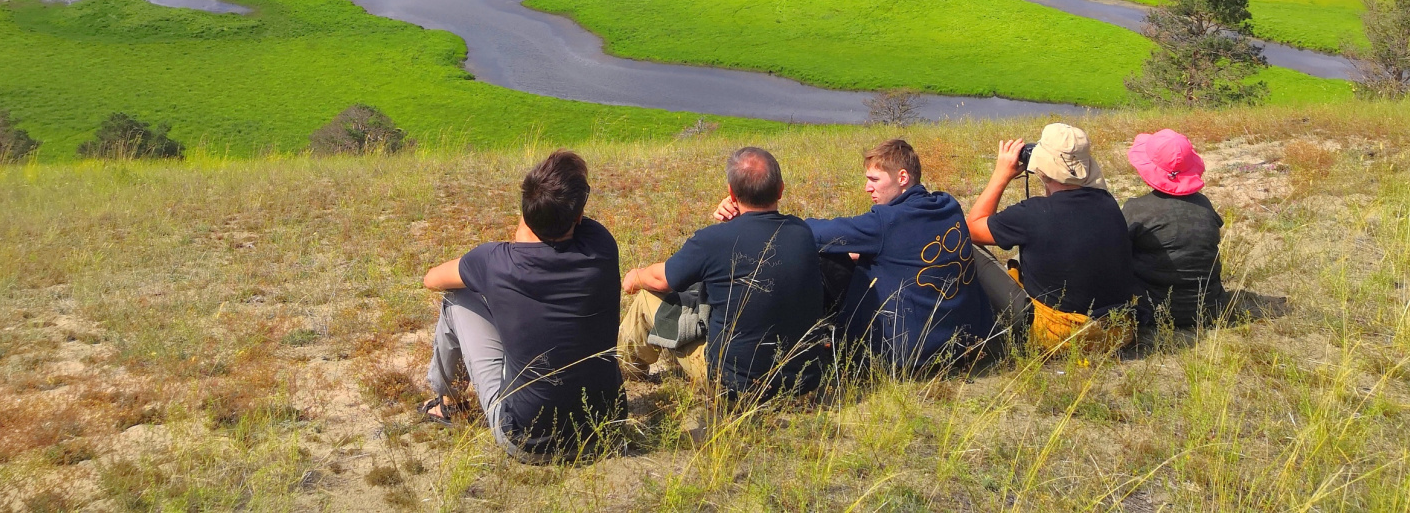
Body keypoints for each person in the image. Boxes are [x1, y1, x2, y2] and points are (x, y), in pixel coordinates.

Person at [421, 150, 624, 459]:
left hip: (525, 439)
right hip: (604, 429)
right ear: (578, 216)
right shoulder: (602, 246)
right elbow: (570, 222)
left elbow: (432, 279)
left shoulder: (495, 262)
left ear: (526, 210)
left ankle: (445, 402)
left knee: (456, 297)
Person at [620, 146, 826, 397]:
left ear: (730, 192)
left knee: (645, 300)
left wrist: (634, 277)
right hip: (801, 381)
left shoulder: (712, 241)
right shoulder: (802, 232)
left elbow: (662, 280)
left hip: (732, 387)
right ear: (781, 189)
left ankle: (628, 375)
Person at [799, 138, 997, 370]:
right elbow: (907, 245)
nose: (867, 188)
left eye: (874, 180)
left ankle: (829, 340)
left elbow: (815, 233)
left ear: (902, 178)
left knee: (827, 257)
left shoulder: (886, 222)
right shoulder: (948, 205)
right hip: (966, 343)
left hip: (905, 355)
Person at [967, 123, 1136, 354]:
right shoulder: (1108, 203)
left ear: (1042, 169)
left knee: (972, 250)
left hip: (1058, 336)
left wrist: (1000, 175)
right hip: (1116, 331)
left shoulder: (1032, 214)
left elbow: (971, 228)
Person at [1123, 129, 1234, 329]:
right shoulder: (1203, 204)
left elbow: (1118, 254)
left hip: (1152, 311)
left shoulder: (1136, 209)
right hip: (1209, 308)